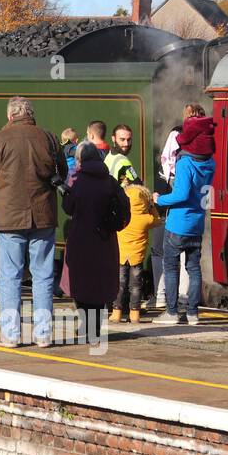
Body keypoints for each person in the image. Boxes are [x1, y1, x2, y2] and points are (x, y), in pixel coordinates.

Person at [0, 96, 67, 348]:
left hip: (9, 218)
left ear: (10, 115)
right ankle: (44, 334)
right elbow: (63, 172)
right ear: (31, 114)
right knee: (43, 275)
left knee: (10, 276)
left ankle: (11, 334)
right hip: (43, 216)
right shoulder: (48, 138)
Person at [62, 142, 129, 344]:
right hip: (105, 239)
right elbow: (124, 208)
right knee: (100, 284)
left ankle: (85, 327)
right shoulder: (110, 181)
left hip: (81, 239)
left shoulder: (77, 181)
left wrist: (64, 192)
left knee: (81, 283)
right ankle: (96, 330)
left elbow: (68, 208)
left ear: (80, 160)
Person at [153, 113, 216, 326]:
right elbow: (207, 194)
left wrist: (159, 199)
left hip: (178, 223)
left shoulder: (185, 163)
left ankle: (171, 312)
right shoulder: (211, 163)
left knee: (171, 266)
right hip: (197, 224)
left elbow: (180, 194)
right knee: (194, 268)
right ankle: (192, 313)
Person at [113, 180, 158, 323]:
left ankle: (116, 313)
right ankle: (135, 314)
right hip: (137, 258)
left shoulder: (123, 216)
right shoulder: (146, 219)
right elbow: (157, 220)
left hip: (121, 256)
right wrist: (151, 206)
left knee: (120, 285)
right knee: (136, 286)